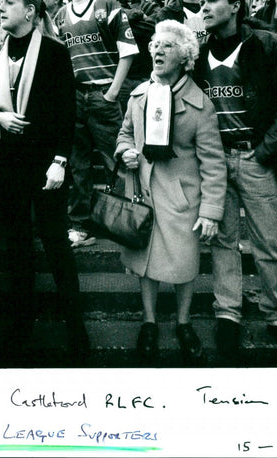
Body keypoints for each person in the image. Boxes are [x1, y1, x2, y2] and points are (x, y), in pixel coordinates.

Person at [194, 0, 277, 363]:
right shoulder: (197, 53)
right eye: (201, 2)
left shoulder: (267, 45)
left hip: (254, 157)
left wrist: (265, 151)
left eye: (213, 0)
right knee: (223, 241)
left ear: (236, 5)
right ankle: (227, 312)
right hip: (214, 162)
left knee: (268, 243)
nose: (204, 7)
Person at [0, 0, 88, 357]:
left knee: (55, 240)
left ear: (30, 11)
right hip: (7, 164)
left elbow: (66, 109)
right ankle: (22, 323)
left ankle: (76, 324)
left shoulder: (55, 52)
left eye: (9, 2)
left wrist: (60, 160)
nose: (0, 8)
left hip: (45, 163)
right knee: (18, 243)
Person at [117, 20, 227, 364]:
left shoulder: (201, 106)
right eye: (155, 45)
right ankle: (148, 322)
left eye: (167, 46)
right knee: (145, 263)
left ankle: (183, 322)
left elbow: (213, 163)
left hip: (181, 199)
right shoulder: (138, 96)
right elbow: (122, 135)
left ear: (185, 57)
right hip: (143, 193)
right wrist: (125, 152)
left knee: (183, 265)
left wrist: (210, 210)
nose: (157, 51)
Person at [53, 0, 138, 247]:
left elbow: (128, 50)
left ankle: (130, 222)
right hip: (74, 96)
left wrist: (112, 92)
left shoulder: (108, 5)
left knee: (117, 161)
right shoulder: (60, 15)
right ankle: (81, 226)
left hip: (103, 94)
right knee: (77, 166)